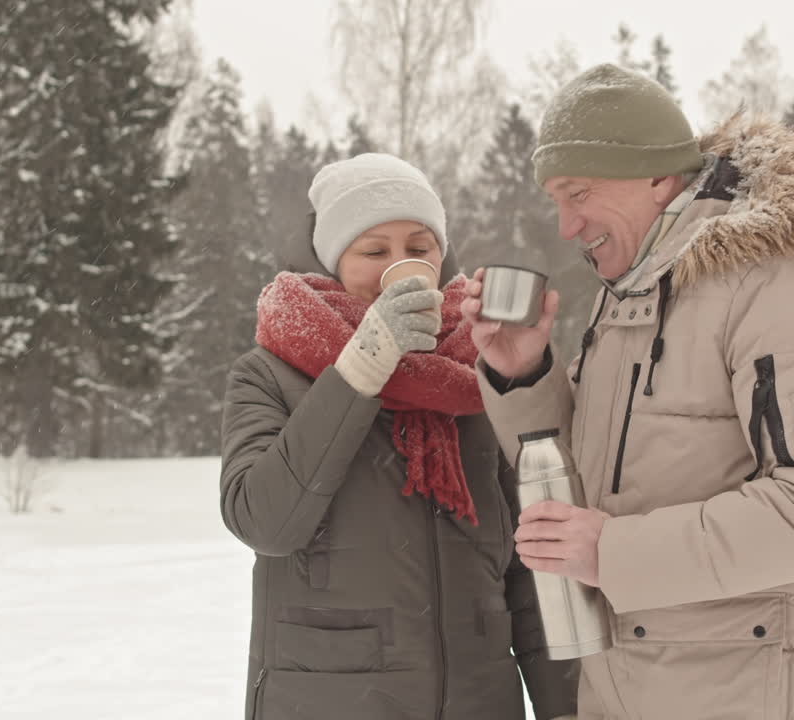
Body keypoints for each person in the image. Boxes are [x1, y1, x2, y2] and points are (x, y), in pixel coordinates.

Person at [461, 64, 794, 720]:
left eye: (578, 193)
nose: (566, 226)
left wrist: (614, 552)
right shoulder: (633, 298)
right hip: (626, 692)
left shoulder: (785, 284)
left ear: (657, 178)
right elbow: (585, 497)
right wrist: (523, 376)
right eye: (556, 200)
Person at [219, 152, 578, 720]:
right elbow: (264, 521)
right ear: (334, 259)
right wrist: (364, 363)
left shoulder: (477, 370)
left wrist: (568, 707)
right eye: (374, 251)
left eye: (419, 247)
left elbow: (531, 562)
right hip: (330, 700)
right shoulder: (270, 373)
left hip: (478, 699)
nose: (402, 263)